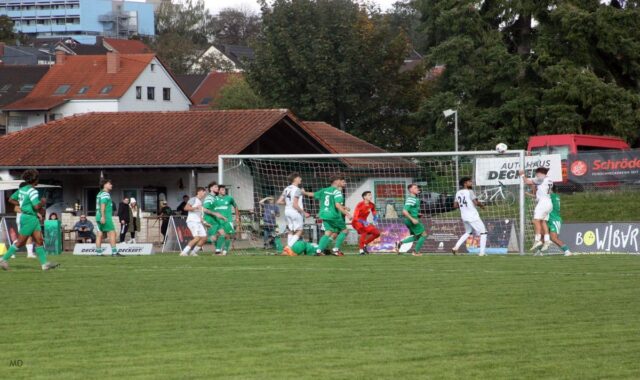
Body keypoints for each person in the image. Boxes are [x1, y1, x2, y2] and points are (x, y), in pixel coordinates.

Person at [0, 169, 59, 271]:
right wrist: (43, 202)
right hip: (29, 218)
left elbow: (10, 199)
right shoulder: (32, 191)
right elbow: (36, 206)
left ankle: (44, 264)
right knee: (20, 242)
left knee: (39, 241)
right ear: (34, 180)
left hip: (31, 218)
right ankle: (3, 259)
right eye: (37, 178)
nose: (38, 180)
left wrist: (22, 205)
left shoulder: (22, 189)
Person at [302, 175, 352, 256]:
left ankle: (318, 251)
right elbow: (337, 205)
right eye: (340, 180)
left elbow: (313, 194)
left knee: (328, 233)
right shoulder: (337, 192)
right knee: (345, 231)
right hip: (334, 215)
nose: (342, 182)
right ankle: (336, 250)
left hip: (324, 215)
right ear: (335, 181)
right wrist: (347, 214)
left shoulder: (324, 190)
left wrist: (304, 192)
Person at [520, 167, 554, 252]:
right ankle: (547, 240)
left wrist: (522, 175)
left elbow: (527, 181)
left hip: (542, 203)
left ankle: (537, 240)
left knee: (536, 221)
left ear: (540, 173)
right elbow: (537, 190)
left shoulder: (541, 179)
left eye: (536, 173)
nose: (536, 175)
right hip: (549, 202)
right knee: (543, 221)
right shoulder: (549, 180)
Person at [452, 177, 488, 256]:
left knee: (468, 232)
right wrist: (482, 206)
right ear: (465, 183)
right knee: (483, 232)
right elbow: (476, 202)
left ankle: (456, 247)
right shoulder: (470, 191)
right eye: (469, 182)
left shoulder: (458, 193)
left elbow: (454, 205)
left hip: (464, 216)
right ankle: (482, 253)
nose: (471, 183)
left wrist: (463, 206)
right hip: (472, 216)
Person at [277, 172, 308, 249]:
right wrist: (304, 213)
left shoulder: (287, 188)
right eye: (299, 178)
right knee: (299, 230)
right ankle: (288, 247)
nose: (301, 179)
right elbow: (295, 204)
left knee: (291, 230)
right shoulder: (297, 190)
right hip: (295, 211)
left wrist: (288, 203)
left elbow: (279, 201)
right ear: (295, 179)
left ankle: (288, 249)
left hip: (287, 211)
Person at [395, 183, 426, 256]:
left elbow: (411, 210)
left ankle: (400, 243)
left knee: (417, 236)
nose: (417, 189)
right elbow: (404, 211)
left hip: (411, 219)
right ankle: (415, 252)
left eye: (417, 187)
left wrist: (417, 214)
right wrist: (412, 219)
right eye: (415, 188)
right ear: (410, 190)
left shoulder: (414, 198)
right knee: (424, 234)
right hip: (412, 220)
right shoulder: (411, 198)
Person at [540, 187, 573, 257]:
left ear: (550, 190)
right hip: (549, 219)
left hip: (554, 220)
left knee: (554, 238)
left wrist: (529, 194)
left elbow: (540, 196)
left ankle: (567, 251)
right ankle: (539, 251)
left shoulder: (551, 196)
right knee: (543, 235)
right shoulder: (555, 196)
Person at [95, 178, 122, 257]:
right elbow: (102, 205)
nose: (111, 185)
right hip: (105, 216)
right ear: (105, 185)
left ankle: (99, 253)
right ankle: (114, 252)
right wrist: (103, 216)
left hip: (98, 216)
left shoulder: (99, 193)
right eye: (109, 184)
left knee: (99, 234)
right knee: (112, 233)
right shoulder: (105, 194)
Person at [180, 187, 208, 256]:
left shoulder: (200, 202)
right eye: (203, 191)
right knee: (197, 238)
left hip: (198, 222)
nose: (204, 193)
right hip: (192, 221)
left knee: (204, 238)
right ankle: (183, 252)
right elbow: (186, 208)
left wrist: (205, 222)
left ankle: (193, 252)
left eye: (204, 192)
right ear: (198, 192)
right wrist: (195, 208)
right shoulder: (193, 199)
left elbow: (199, 215)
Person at [352, 191, 380, 255]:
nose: (371, 196)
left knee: (377, 233)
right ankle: (361, 250)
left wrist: (375, 219)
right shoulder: (360, 204)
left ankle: (365, 244)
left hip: (364, 222)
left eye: (371, 195)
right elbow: (355, 217)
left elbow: (374, 213)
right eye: (369, 195)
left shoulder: (372, 205)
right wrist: (362, 221)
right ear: (364, 197)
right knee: (364, 232)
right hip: (356, 222)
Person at [213, 185, 239, 255]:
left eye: (224, 190)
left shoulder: (229, 198)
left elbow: (236, 206)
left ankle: (225, 251)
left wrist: (237, 217)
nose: (224, 191)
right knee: (217, 235)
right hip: (218, 220)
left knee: (228, 235)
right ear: (218, 191)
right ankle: (218, 250)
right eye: (222, 190)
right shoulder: (214, 199)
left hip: (228, 220)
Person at [202, 182, 226, 253]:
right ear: (211, 188)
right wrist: (215, 214)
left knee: (222, 233)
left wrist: (220, 216)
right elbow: (205, 209)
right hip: (210, 219)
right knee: (213, 238)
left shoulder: (214, 197)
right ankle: (200, 239)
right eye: (215, 187)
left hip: (215, 219)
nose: (217, 188)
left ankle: (218, 251)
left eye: (217, 187)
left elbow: (214, 209)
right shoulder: (209, 197)